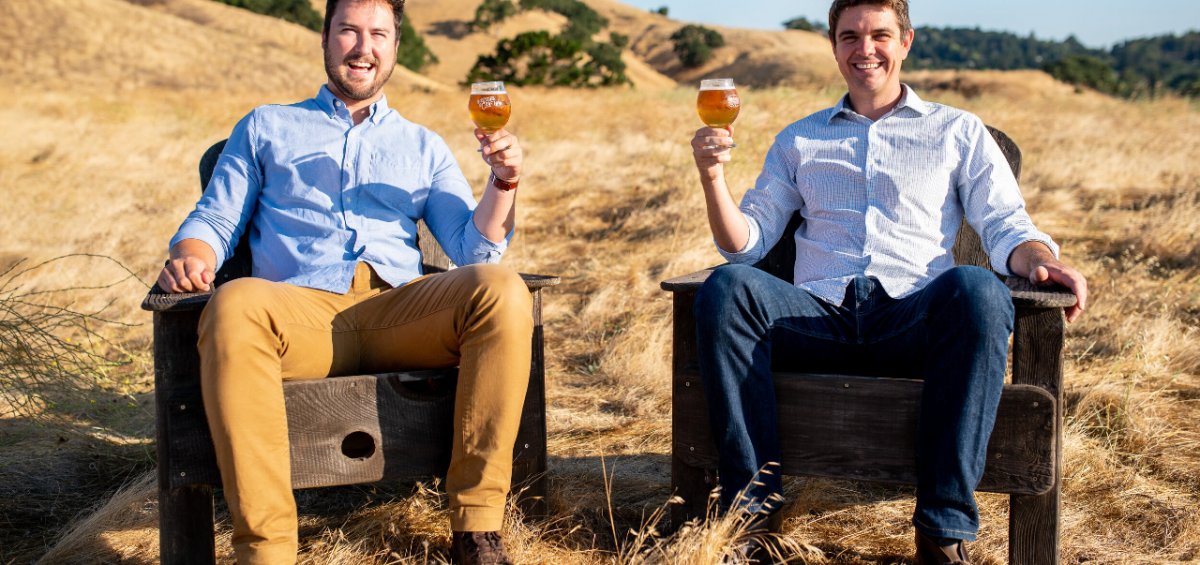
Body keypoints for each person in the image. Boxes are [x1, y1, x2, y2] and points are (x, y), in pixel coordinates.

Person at [687, 0, 1088, 563]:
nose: (864, 49)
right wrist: (712, 177)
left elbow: (1005, 224)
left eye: (879, 34)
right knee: (727, 286)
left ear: (906, 42)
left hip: (911, 322)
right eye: (849, 36)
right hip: (815, 318)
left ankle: (941, 532)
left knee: (976, 289)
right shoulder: (800, 139)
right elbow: (745, 243)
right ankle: (749, 522)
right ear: (834, 46)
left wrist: (1041, 261)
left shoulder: (957, 131)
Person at [158, 1, 529, 563]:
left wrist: (504, 181)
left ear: (395, 48)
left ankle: (476, 531)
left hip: (399, 313)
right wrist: (191, 255)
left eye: (378, 34)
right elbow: (214, 218)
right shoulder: (266, 126)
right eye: (349, 31)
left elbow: (475, 249)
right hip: (300, 316)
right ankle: (267, 551)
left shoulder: (423, 145)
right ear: (326, 40)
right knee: (233, 306)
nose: (363, 47)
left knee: (502, 290)